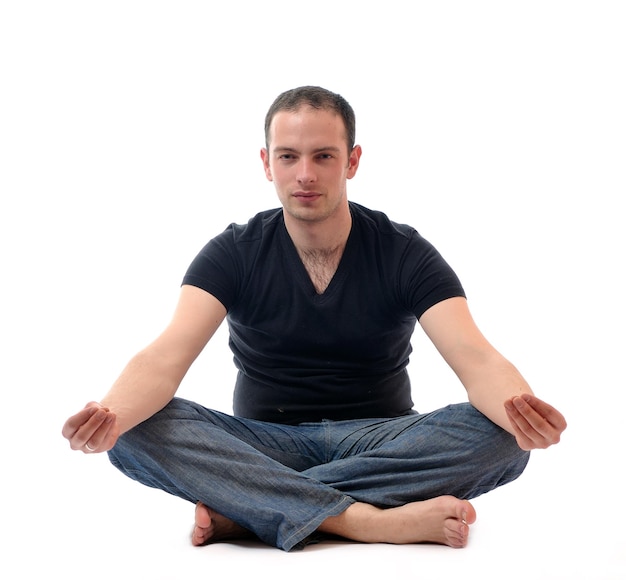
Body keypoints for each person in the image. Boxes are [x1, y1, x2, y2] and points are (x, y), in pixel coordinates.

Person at [62, 86, 567, 552]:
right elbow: (164, 355)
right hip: (263, 442)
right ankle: (361, 520)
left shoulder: (404, 251)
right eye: (289, 156)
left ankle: (251, 510)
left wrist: (523, 412)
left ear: (352, 161)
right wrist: (110, 417)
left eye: (323, 156)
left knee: (503, 438)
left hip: (382, 436)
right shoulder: (231, 252)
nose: (305, 173)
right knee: (132, 433)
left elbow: (476, 357)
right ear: (267, 164)